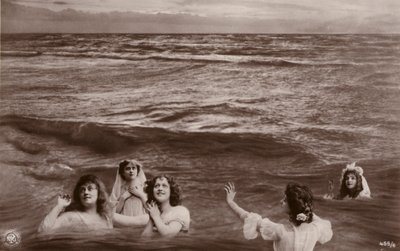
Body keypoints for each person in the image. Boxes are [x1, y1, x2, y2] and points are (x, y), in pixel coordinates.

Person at [224, 182, 332, 251]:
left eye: (285, 200)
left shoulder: (280, 231)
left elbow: (247, 217)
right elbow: (325, 225)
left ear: (293, 207)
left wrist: (230, 202)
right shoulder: (316, 229)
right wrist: (307, 213)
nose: (281, 201)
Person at [38, 174, 113, 233]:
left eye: (90, 189)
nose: (86, 192)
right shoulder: (72, 216)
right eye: (82, 190)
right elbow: (43, 231)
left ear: (99, 192)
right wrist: (59, 206)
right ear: (78, 195)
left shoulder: (105, 218)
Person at [110, 159, 149, 227]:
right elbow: (116, 213)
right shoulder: (120, 189)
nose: (131, 171)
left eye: (134, 168)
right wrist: (123, 198)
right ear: (122, 172)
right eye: (128, 169)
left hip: (140, 222)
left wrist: (141, 195)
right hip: (125, 222)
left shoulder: (143, 188)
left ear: (137, 170)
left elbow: (149, 210)